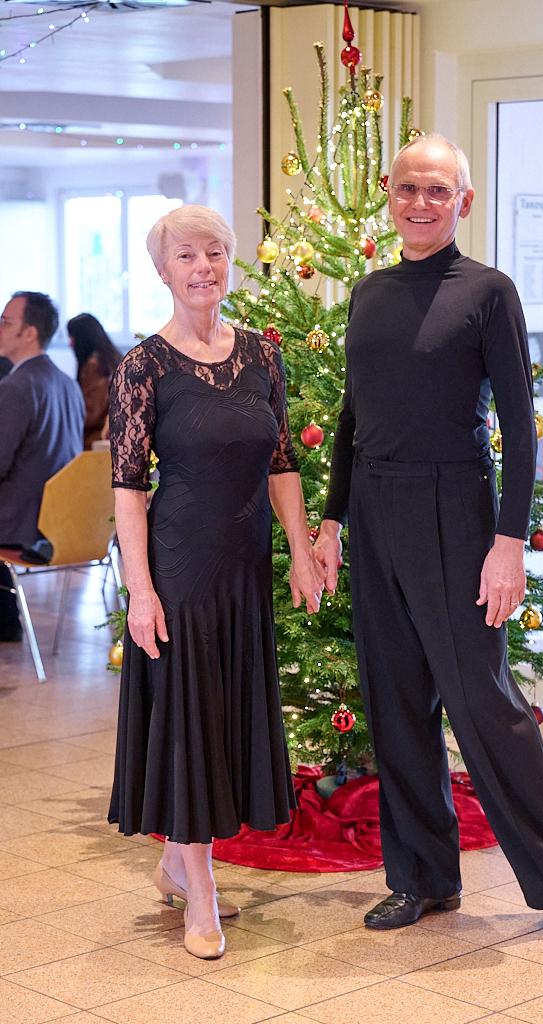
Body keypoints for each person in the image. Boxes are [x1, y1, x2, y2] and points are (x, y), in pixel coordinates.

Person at [314, 135, 543, 949]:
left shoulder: (487, 292)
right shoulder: (367, 292)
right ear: (387, 192)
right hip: (372, 511)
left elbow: (517, 425)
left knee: (486, 706)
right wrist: (333, 518)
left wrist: (507, 542)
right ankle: (421, 879)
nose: (419, 202)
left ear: (462, 202)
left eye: (437, 190)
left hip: (456, 510)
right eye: (407, 188)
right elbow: (350, 417)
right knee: (396, 704)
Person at [107, 204, 323, 961]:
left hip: (244, 570)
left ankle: (175, 861)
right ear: (163, 271)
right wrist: (140, 587)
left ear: (229, 264)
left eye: (215, 253)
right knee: (192, 721)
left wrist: (298, 550)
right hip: (180, 568)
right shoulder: (144, 367)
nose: (203, 267)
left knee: (223, 717)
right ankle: (199, 891)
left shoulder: (263, 356)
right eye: (187, 256)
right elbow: (128, 485)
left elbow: (281, 464)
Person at [0, 292, 84, 642]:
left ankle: (5, 620)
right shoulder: (67, 384)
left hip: (23, 524)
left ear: (29, 333)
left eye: (6, 322)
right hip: (65, 523)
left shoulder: (16, 387)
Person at [67, 313, 122, 449]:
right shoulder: (113, 359)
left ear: (83, 338)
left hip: (95, 441)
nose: (70, 343)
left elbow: (91, 412)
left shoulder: (94, 365)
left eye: (72, 337)